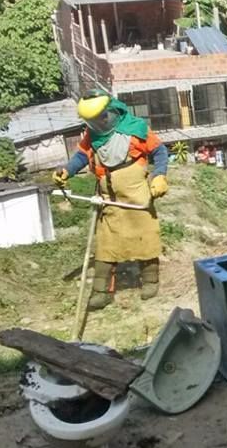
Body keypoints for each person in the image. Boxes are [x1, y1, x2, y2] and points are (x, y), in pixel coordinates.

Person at [53, 89, 170, 310]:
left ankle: (150, 282)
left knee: (145, 238)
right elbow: (81, 156)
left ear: (111, 111)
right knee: (106, 245)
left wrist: (160, 175)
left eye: (101, 118)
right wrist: (67, 171)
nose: (98, 123)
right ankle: (102, 292)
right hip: (107, 197)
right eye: (92, 120)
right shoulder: (92, 135)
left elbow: (160, 152)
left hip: (136, 196)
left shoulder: (136, 128)